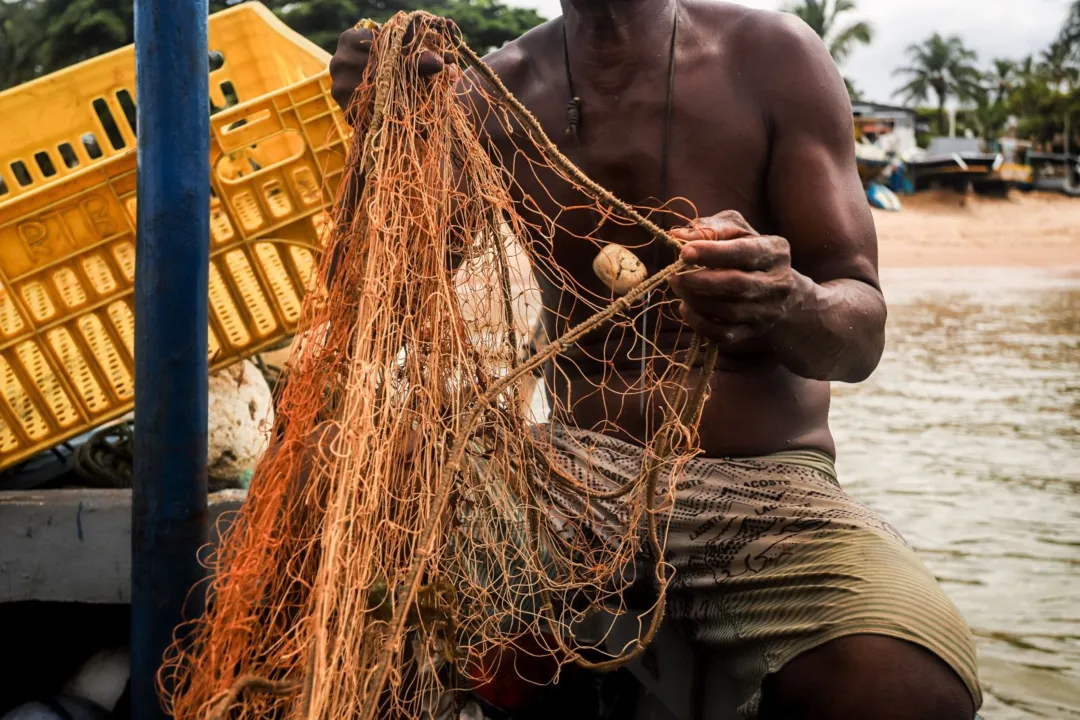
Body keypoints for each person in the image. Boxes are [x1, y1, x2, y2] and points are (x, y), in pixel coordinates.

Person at [328, 1, 983, 718]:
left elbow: (861, 337)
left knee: (910, 685)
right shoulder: (496, 89)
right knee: (352, 590)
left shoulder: (774, 58)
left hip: (761, 485)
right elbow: (369, 303)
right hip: (568, 475)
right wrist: (386, 136)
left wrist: (786, 301)